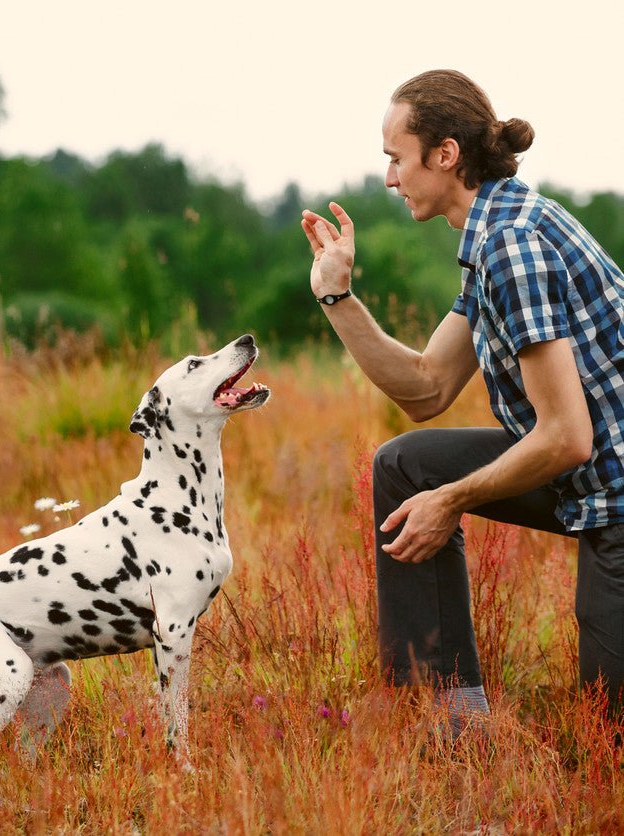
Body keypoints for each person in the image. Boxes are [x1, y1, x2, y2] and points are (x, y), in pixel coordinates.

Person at [301, 69, 624, 732]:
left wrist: (451, 501)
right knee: (406, 466)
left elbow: (567, 437)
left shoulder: (511, 247)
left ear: (444, 154)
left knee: (606, 735)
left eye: (397, 158)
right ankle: (447, 716)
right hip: (591, 479)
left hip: (613, 491)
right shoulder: (491, 237)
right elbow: (426, 389)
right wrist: (338, 298)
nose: (390, 178)